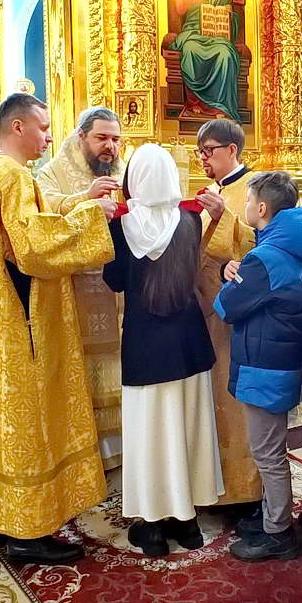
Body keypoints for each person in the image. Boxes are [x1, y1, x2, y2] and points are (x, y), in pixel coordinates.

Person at [0, 93, 117, 565]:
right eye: (42, 127)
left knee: (3, 418)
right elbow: (33, 248)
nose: (48, 136)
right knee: (31, 418)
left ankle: (4, 518)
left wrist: (78, 201)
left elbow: (32, 220)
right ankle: (30, 530)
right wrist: (91, 218)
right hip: (24, 323)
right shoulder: (16, 177)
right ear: (17, 127)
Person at [103, 144, 222, 557]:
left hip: (145, 345)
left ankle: (152, 528)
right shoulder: (190, 221)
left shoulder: (120, 226)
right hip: (189, 344)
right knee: (188, 428)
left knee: (150, 434)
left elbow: (114, 281)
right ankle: (188, 523)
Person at [215, 171, 302, 561]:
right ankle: (270, 518)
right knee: (271, 448)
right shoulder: (288, 250)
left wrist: (227, 278)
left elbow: (227, 307)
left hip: (264, 367)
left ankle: (277, 532)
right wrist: (234, 273)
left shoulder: (264, 258)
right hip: (278, 362)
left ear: (262, 208)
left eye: (247, 201)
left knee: (268, 453)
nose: (245, 207)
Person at [37, 107, 125, 468]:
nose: (110, 147)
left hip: (116, 289)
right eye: (101, 138)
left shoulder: (122, 169)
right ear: (81, 137)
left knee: (117, 363)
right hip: (73, 289)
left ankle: (120, 451)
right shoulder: (52, 171)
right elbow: (43, 218)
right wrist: (85, 199)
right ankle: (83, 454)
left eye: (115, 139)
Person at [194, 119, 263, 509]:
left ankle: (246, 493)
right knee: (215, 401)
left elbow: (264, 243)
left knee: (237, 403)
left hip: (239, 316)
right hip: (208, 313)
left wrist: (225, 218)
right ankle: (216, 489)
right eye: (200, 153)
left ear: (232, 150)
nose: (203, 159)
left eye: (209, 151)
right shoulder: (214, 192)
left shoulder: (258, 189)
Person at [171, 0, 241, 120]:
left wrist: (229, 13)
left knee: (226, 54)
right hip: (194, 31)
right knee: (189, 50)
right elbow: (180, 8)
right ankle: (194, 102)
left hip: (216, 36)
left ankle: (220, 106)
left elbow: (233, 20)